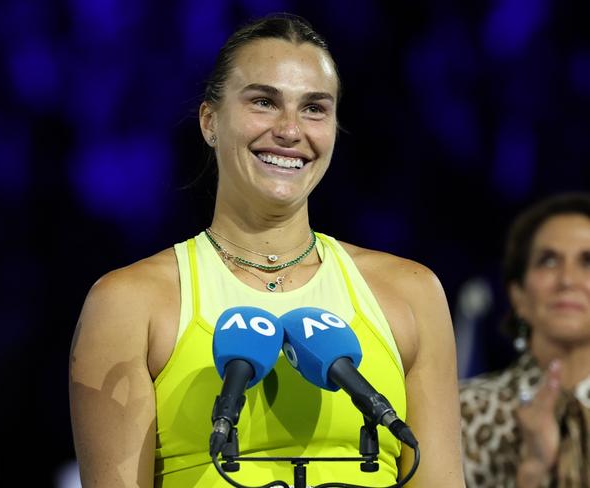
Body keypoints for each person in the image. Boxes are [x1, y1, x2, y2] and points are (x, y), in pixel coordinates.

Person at [69, 13, 464, 487]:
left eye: (314, 108)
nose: (290, 130)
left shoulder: (411, 293)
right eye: (263, 102)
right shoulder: (128, 302)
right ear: (210, 121)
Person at [460, 192, 590, 488]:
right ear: (518, 295)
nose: (567, 279)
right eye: (548, 261)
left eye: (587, 261)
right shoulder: (463, 412)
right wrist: (534, 470)